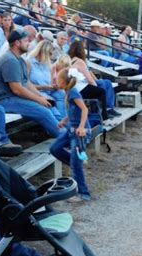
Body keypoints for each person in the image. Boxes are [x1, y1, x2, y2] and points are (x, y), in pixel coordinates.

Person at [0, 28, 64, 137]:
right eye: (26, 41)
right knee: (44, 111)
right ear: (17, 43)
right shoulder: (10, 59)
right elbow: (17, 89)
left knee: (48, 105)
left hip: (12, 97)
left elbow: (27, 83)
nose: (29, 43)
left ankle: (66, 131)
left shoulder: (19, 59)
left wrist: (41, 97)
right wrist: (38, 99)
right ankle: (65, 138)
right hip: (3, 99)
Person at [50, 67, 92, 201]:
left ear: (64, 81)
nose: (56, 81)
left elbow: (84, 109)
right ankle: (76, 164)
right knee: (54, 148)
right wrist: (64, 120)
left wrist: (81, 127)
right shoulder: (67, 92)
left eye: (58, 79)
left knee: (76, 164)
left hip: (80, 132)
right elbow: (73, 111)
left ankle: (83, 193)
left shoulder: (73, 92)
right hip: (70, 130)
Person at [69, 40, 120, 119]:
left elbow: (89, 72)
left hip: (80, 83)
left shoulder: (72, 59)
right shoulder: (79, 61)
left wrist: (97, 81)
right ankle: (104, 111)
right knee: (102, 87)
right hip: (82, 85)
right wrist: (96, 85)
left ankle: (109, 108)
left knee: (107, 82)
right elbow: (89, 78)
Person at [27, 39, 66, 118]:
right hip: (36, 92)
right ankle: (60, 123)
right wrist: (45, 87)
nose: (51, 56)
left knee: (61, 94)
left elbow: (50, 83)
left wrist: (54, 85)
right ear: (44, 52)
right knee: (50, 101)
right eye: (50, 53)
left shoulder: (47, 64)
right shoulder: (29, 62)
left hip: (47, 90)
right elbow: (25, 84)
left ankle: (63, 121)